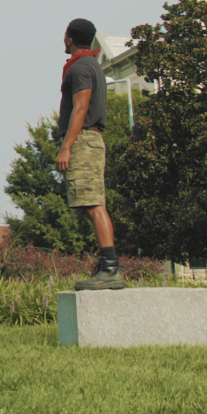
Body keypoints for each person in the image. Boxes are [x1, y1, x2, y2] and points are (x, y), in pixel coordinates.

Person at [57, 17, 122, 290]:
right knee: (90, 203)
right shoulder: (89, 64)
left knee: (94, 204)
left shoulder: (81, 67)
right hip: (87, 139)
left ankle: (110, 268)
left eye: (64, 35)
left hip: (84, 140)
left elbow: (80, 108)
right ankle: (107, 265)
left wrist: (66, 147)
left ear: (70, 38)